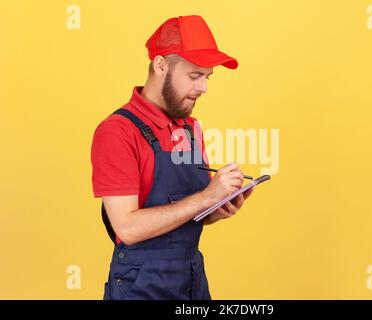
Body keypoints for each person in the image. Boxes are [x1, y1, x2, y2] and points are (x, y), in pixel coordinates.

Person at [90, 15, 253, 300]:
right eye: (194, 76)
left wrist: (217, 207)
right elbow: (127, 228)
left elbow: (186, 213)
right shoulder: (117, 131)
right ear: (161, 65)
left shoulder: (191, 129)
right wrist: (205, 197)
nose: (203, 88)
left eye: (207, 77)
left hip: (192, 280)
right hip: (141, 286)